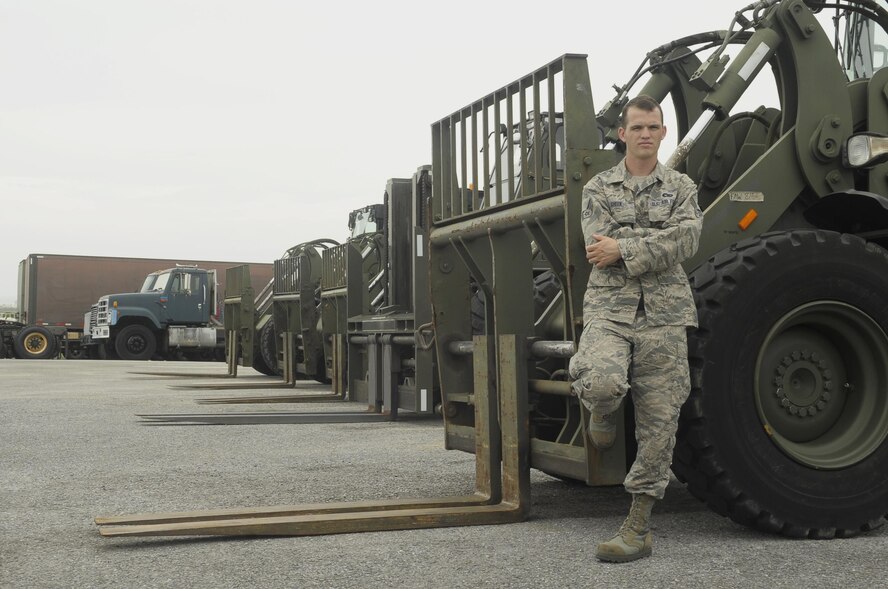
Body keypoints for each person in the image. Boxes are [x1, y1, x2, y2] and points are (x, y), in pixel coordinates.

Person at [568, 95, 703, 563]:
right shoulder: (598, 187)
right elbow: (595, 245)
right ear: (622, 134)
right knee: (602, 381)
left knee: (660, 423)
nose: (646, 134)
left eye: (653, 127)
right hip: (609, 309)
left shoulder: (682, 186)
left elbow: (687, 239)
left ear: (663, 133)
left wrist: (623, 248)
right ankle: (602, 409)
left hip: (665, 315)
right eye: (638, 127)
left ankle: (637, 527)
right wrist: (654, 243)